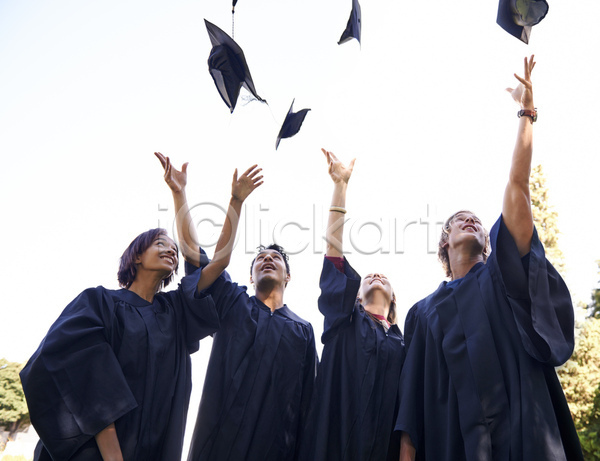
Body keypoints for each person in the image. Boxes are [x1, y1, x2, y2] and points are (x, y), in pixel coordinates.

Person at [396, 56, 583, 460]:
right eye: (457, 221)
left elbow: (517, 188)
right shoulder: (422, 313)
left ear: (488, 240)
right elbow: (411, 407)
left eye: (477, 220)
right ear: (444, 243)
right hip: (454, 445)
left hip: (526, 439)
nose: (469, 220)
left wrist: (526, 114)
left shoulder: (503, 277)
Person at [156, 153, 318, 461]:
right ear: (250, 276)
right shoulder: (232, 302)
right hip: (218, 446)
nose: (267, 259)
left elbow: (310, 406)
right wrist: (182, 194)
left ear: (288, 276)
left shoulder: (303, 332)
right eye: (260, 259)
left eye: (276, 258)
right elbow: (195, 255)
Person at [20, 228, 220, 461]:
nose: (170, 250)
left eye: (175, 249)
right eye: (160, 243)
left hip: (152, 448)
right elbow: (83, 374)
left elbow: (215, 265)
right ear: (137, 256)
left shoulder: (174, 314)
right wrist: (113, 455)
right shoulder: (99, 303)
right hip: (96, 451)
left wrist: (234, 200)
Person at [299, 149, 405, 461]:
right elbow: (333, 251)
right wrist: (340, 186)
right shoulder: (343, 321)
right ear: (354, 295)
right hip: (332, 442)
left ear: (394, 298)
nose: (376, 275)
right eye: (368, 275)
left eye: (384, 277)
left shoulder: (404, 344)